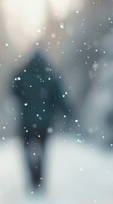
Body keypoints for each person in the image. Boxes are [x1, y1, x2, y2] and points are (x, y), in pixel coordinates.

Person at [12, 51, 70, 193]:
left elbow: (13, 91)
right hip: (45, 124)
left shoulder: (23, 74)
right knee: (43, 152)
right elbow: (59, 98)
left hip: (26, 123)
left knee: (27, 152)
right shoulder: (50, 76)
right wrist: (68, 113)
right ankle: (39, 181)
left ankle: (31, 179)